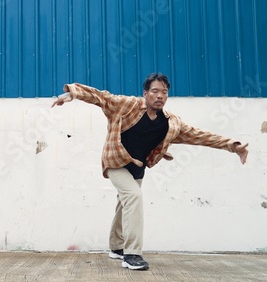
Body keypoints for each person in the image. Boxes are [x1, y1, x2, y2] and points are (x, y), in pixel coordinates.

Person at [51, 73, 249, 270]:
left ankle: (116, 246)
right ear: (145, 93)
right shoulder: (128, 105)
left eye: (164, 92)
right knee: (134, 197)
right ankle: (132, 255)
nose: (160, 96)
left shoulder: (171, 124)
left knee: (125, 203)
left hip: (137, 169)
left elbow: (200, 136)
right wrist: (73, 94)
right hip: (116, 161)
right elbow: (102, 97)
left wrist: (233, 145)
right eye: (155, 91)